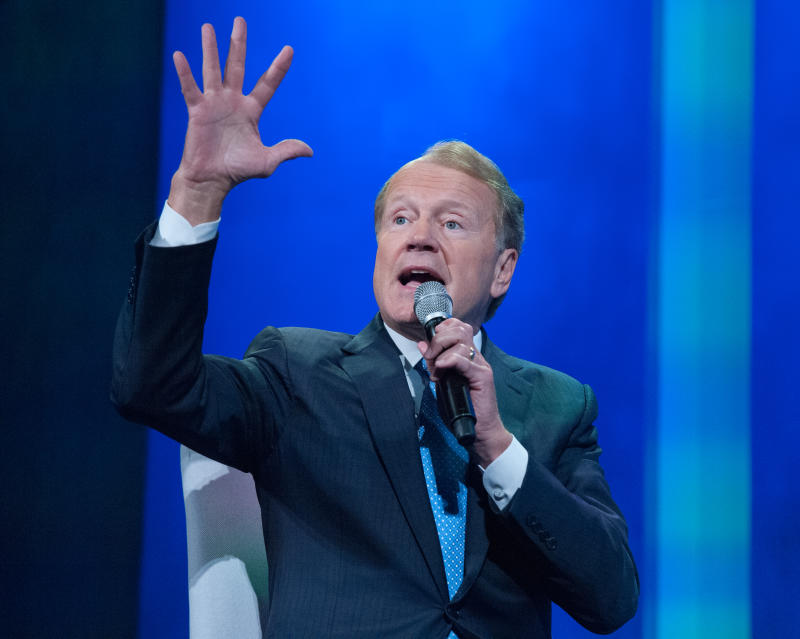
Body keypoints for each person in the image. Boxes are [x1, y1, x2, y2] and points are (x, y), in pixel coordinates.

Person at [112, 17, 638, 638]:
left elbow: (611, 600)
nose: (418, 235)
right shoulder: (297, 371)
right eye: (400, 219)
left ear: (503, 270)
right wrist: (197, 194)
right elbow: (153, 386)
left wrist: (496, 444)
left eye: (451, 224)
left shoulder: (556, 405)